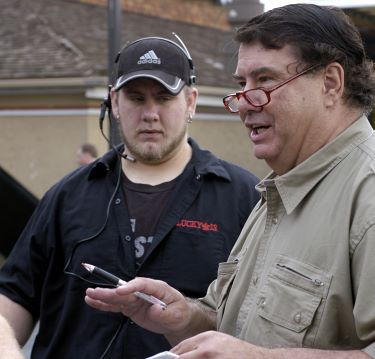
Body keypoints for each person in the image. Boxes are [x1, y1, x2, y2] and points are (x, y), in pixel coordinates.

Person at [85, 5, 375, 358]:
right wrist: (184, 317)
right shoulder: (281, 191)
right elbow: (237, 331)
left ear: (330, 83)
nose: (244, 102)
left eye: (264, 82)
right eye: (242, 85)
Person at [0, 36, 260, 358]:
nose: (150, 113)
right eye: (136, 98)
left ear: (191, 102)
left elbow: (263, 319)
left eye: (164, 98)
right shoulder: (67, 196)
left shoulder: (245, 199)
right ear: (115, 103)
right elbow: (13, 297)